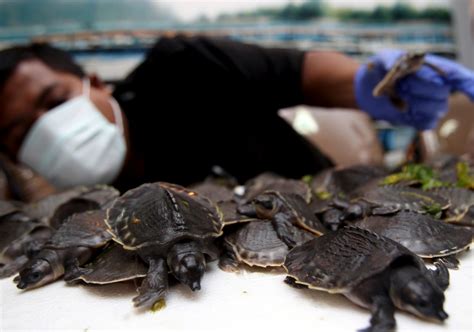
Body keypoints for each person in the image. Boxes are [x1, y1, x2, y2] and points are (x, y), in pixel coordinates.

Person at [0, 35, 473, 192]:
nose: (50, 130)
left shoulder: (183, 70)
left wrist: (370, 85)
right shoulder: (67, 213)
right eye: (19, 133)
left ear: (96, 84)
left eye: (54, 101)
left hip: (326, 224)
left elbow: (299, 73)